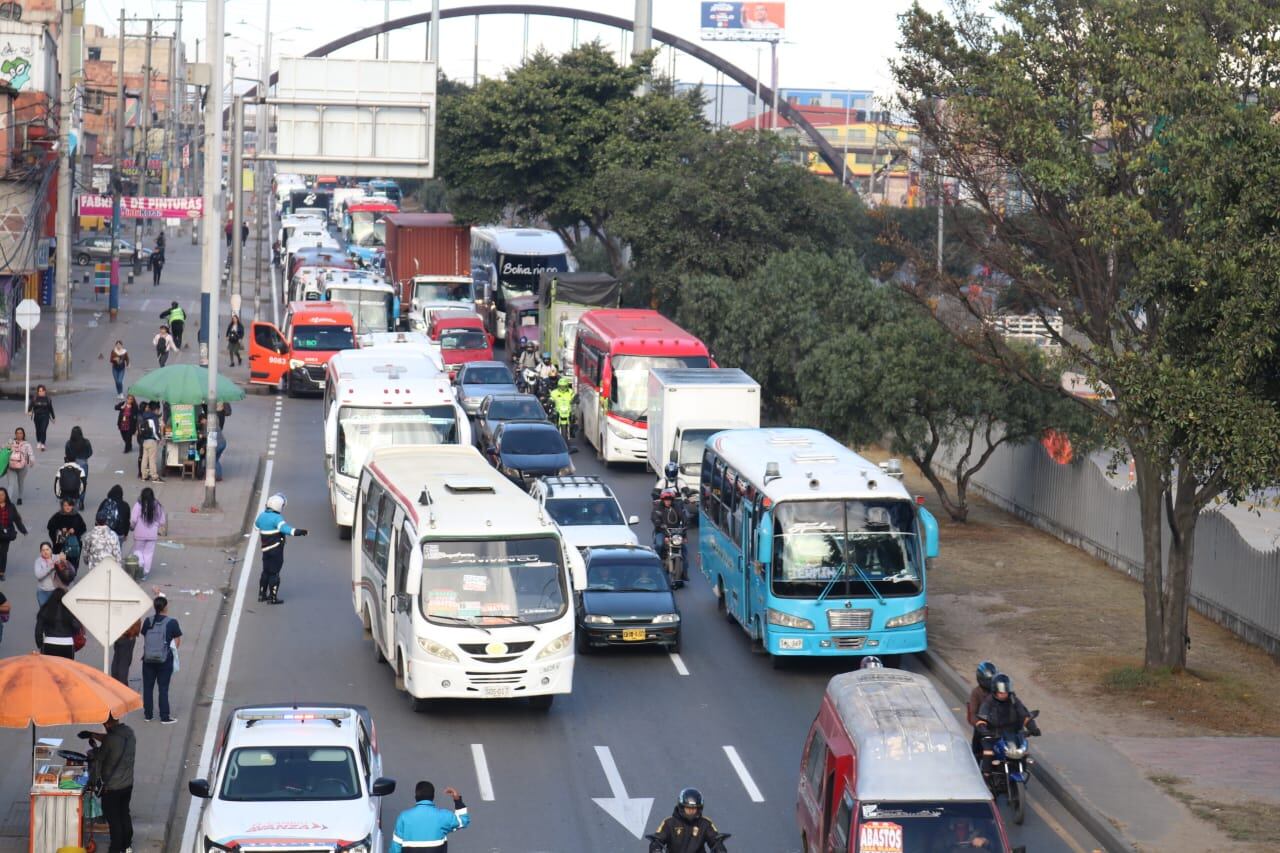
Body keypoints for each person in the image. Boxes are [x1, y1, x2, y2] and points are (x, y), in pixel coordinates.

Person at [81, 715, 136, 853]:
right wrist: (93, 734)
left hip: (111, 787)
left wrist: (93, 751)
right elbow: (111, 740)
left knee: (114, 819)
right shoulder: (129, 732)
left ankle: (115, 848)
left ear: (106, 724)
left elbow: (99, 759)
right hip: (127, 784)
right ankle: (127, 845)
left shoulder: (110, 740)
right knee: (124, 813)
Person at [975, 673, 1040, 775]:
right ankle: (986, 776)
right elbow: (981, 718)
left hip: (1012, 734)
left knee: (1023, 750)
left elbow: (1024, 715)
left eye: (1005, 692)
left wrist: (1033, 728)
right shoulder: (988, 702)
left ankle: (1021, 769)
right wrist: (983, 729)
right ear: (995, 691)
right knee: (988, 751)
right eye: (1001, 692)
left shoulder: (1014, 700)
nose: (1003, 694)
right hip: (994, 734)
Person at [254, 492, 308, 604]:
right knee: (274, 573)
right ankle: (273, 598)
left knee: (265, 572)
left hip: (265, 550)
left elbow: (256, 526)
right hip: (276, 550)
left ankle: (261, 595)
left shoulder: (262, 516)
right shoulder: (277, 518)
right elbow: (286, 529)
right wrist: (300, 532)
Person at [388, 781, 470, 853]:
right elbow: (463, 821)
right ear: (433, 797)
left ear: (416, 797)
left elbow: (396, 847)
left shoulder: (404, 817)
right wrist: (457, 800)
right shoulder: (444, 816)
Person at [140, 595, 182, 723]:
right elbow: (177, 640)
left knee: (147, 687)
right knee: (163, 688)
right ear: (165, 607)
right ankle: (164, 717)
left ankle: (148, 715)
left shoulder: (148, 621)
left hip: (148, 660)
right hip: (164, 660)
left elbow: (144, 635)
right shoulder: (172, 622)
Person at [648, 788, 729, 853]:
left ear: (699, 808)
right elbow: (657, 840)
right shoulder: (669, 823)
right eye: (688, 808)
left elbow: (715, 840)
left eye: (694, 808)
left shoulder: (705, 823)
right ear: (682, 807)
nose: (691, 811)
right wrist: (656, 849)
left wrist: (720, 848)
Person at [34, 587, 81, 658]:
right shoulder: (70, 610)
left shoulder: (45, 609)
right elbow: (77, 628)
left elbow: (38, 631)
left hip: (49, 644)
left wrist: (40, 644)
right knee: (66, 668)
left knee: (49, 669)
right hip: (67, 644)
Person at [130, 488, 165, 578]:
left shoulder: (138, 504)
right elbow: (162, 521)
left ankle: (140, 566)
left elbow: (133, 519)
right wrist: (156, 525)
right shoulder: (157, 505)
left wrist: (132, 527)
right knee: (148, 554)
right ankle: (145, 573)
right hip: (152, 534)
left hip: (139, 534)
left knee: (138, 551)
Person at [968, 661, 999, 760]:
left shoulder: (1001, 691)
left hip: (1000, 726)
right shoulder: (976, 693)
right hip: (984, 727)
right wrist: (979, 724)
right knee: (978, 752)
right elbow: (973, 713)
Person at [651, 488, 689, 567]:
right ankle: (655, 563)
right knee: (659, 545)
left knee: (684, 548)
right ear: (663, 500)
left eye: (669, 499)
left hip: (675, 532)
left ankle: (685, 570)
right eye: (666, 499)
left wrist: (685, 524)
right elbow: (654, 516)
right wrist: (658, 522)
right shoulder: (658, 506)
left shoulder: (676, 506)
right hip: (661, 531)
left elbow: (682, 516)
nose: (667, 501)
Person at [47, 498, 87, 569]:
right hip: (60, 544)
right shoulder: (57, 516)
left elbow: (83, 528)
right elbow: (50, 527)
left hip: (73, 544)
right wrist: (59, 530)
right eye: (65, 505)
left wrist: (75, 530)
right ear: (62, 506)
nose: (67, 507)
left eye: (69, 505)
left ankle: (72, 574)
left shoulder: (77, 516)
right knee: (60, 564)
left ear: (73, 506)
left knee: (73, 562)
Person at [0, 487, 26, 581]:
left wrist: (23, 530)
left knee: (3, 553)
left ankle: (1, 572)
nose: (0, 497)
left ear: (6, 496)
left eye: (2, 495)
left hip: (6, 534)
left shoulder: (11, 506)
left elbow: (16, 519)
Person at [65, 426, 94, 505]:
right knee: (83, 482)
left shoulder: (68, 443)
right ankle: (81, 500)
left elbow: (67, 454)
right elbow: (90, 452)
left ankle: (73, 498)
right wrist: (84, 457)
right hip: (83, 464)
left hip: (72, 464)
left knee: (73, 482)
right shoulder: (86, 442)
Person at [111, 618, 142, 686]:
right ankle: (120, 687)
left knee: (121, 666)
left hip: (127, 636)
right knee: (118, 665)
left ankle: (122, 689)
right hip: (124, 636)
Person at [7, 427, 33, 504]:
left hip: (22, 467)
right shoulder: (11, 442)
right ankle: (8, 501)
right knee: (10, 484)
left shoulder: (27, 444)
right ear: (15, 434)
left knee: (20, 482)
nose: (19, 435)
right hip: (11, 466)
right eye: (17, 433)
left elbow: (31, 454)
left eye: (21, 433)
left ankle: (20, 498)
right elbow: (4, 450)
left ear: (23, 434)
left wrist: (32, 461)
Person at [138, 403, 163, 482]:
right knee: (152, 459)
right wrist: (159, 438)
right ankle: (154, 476)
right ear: (156, 409)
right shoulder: (153, 418)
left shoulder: (145, 416)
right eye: (158, 410)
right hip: (152, 441)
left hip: (145, 440)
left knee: (145, 458)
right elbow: (155, 431)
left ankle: (144, 475)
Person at [27, 383, 54, 450]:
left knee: (43, 429)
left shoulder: (48, 399)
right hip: (37, 416)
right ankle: (39, 441)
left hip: (45, 416)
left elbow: (51, 408)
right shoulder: (35, 398)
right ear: (38, 391)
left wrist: (53, 417)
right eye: (39, 391)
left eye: (42, 391)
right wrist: (29, 412)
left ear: (45, 391)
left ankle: (43, 443)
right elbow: (30, 407)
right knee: (38, 430)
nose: (41, 392)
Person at [34, 542, 58, 606]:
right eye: (43, 550)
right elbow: (38, 575)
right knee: (44, 613)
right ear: (40, 552)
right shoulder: (38, 561)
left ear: (51, 550)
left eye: (47, 549)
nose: (45, 552)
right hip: (42, 592)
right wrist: (50, 567)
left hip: (55, 591)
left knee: (55, 612)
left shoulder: (57, 558)